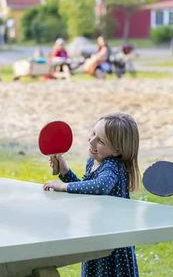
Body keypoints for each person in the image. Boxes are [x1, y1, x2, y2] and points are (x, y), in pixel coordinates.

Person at [43, 112, 140, 277]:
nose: (92, 140)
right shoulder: (93, 162)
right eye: (93, 133)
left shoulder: (112, 166)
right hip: (97, 236)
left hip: (112, 244)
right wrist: (65, 171)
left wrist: (64, 186)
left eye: (100, 141)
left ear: (117, 150)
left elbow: (100, 186)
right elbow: (87, 190)